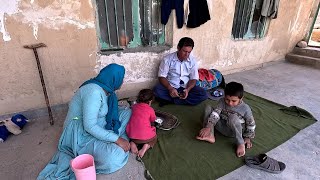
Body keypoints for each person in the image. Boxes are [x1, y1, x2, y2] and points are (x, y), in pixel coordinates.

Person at [37, 63, 132, 179]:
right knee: (114, 156)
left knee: (127, 112)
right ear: (113, 79)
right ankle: (118, 140)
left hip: (97, 123)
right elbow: (90, 126)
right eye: (121, 79)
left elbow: (104, 111)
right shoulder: (93, 92)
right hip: (80, 133)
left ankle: (114, 140)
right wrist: (117, 139)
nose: (122, 82)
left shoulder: (106, 89)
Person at [196, 82, 256, 157]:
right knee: (208, 108)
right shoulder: (222, 101)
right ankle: (210, 135)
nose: (230, 103)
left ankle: (240, 143)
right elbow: (216, 113)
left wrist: (247, 137)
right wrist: (208, 126)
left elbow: (251, 124)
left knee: (232, 117)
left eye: (234, 101)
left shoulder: (245, 108)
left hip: (234, 131)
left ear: (241, 98)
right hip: (222, 125)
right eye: (227, 99)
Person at [153, 37, 207, 106]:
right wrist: (170, 88)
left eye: (189, 52)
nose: (187, 54)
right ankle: (182, 100)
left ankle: (173, 100)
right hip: (171, 86)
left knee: (203, 94)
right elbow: (161, 77)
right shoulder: (167, 59)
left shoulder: (192, 61)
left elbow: (193, 78)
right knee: (156, 90)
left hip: (186, 87)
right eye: (184, 51)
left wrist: (188, 89)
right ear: (178, 48)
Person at [126, 89, 157, 158]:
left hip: (132, 136)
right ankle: (146, 146)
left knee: (132, 131)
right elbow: (153, 119)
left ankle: (132, 143)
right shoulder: (150, 109)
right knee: (154, 138)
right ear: (150, 102)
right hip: (146, 137)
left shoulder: (134, 106)